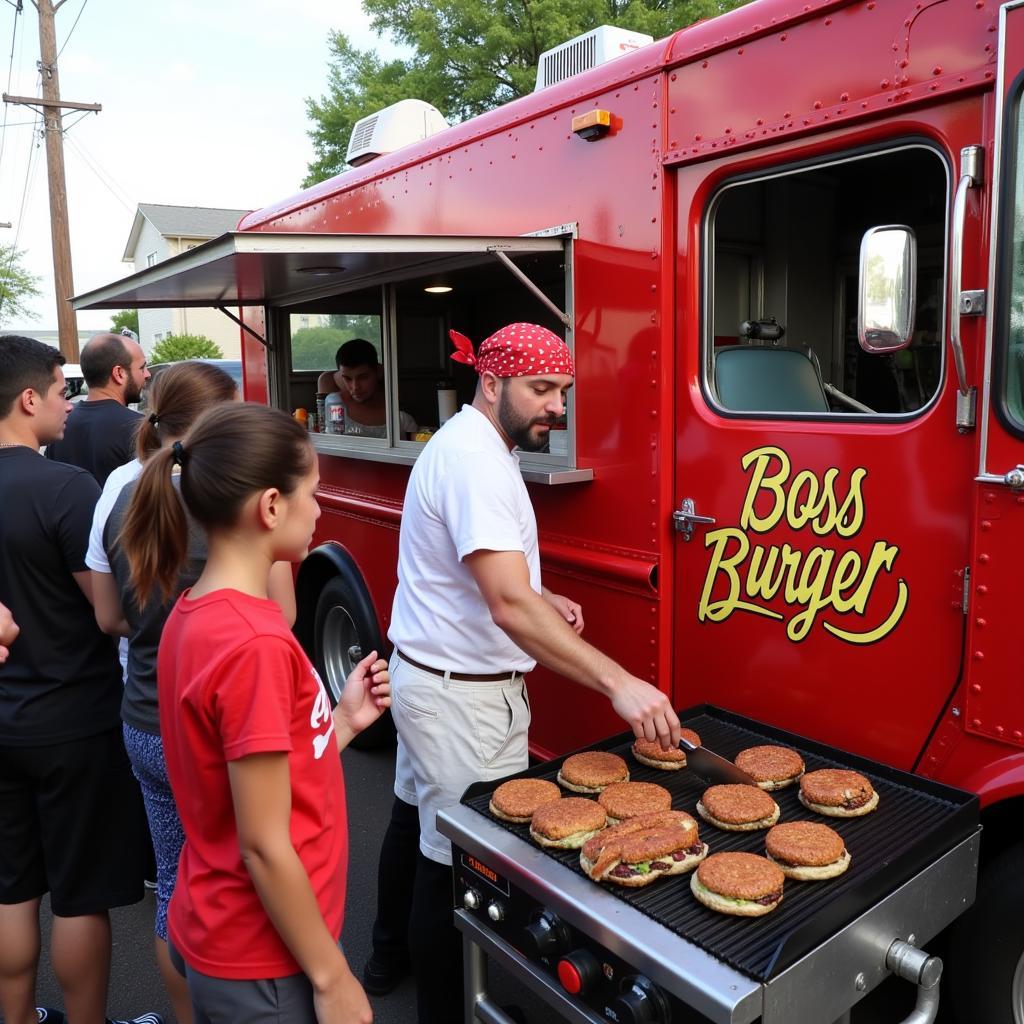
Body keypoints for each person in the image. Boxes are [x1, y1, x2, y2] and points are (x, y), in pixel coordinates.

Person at [366, 323, 681, 1023]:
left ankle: (386, 957)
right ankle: (441, 1007)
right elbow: (505, 602)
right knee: (454, 866)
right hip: (461, 704)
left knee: (412, 826)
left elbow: (495, 579)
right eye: (541, 389)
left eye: (564, 392)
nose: (556, 407)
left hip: (432, 680)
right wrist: (619, 683)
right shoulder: (476, 461)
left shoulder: (476, 445)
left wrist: (540, 596)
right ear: (491, 381)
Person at [118, 401, 391, 1024]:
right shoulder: (257, 643)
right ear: (271, 506)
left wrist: (340, 723)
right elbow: (264, 843)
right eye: (314, 492)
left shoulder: (196, 612)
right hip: (262, 958)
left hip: (218, 922)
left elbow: (240, 778)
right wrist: (333, 977)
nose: (319, 509)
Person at [86, 362, 295, 1024]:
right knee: (251, 872)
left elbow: (110, 618)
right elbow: (282, 616)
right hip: (218, 723)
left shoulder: (126, 493)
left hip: (145, 718)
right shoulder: (237, 501)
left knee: (177, 882)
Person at [0, 335, 158, 1024]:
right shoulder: (66, 488)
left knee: (10, 890)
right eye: (62, 393)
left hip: (4, 720)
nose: (69, 405)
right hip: (75, 720)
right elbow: (108, 610)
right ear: (28, 399)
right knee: (79, 894)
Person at [45, 332, 151, 485]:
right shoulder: (139, 428)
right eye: (142, 368)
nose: (147, 374)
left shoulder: (60, 423)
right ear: (119, 373)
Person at [316, 338, 417, 439]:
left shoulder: (401, 418)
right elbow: (332, 441)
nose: (355, 387)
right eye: (347, 378)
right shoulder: (336, 405)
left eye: (363, 377)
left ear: (378, 371)